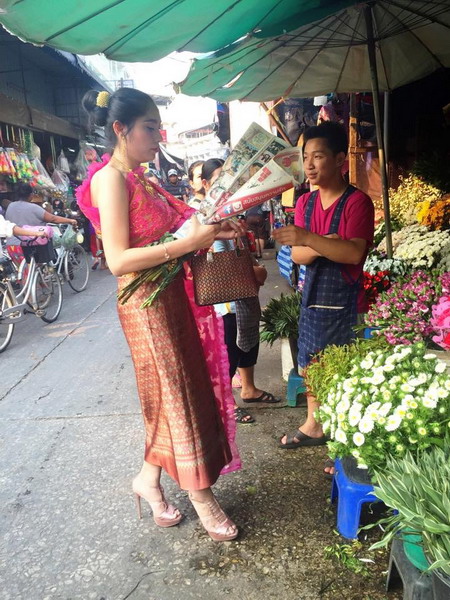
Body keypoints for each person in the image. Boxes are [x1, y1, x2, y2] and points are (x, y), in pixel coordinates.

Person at [77, 88, 245, 542]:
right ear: (120, 129)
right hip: (144, 304)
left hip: (169, 296)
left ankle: (148, 482)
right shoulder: (110, 179)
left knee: (175, 392)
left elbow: (177, 228)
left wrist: (210, 228)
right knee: (178, 395)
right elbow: (116, 260)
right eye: (149, 127)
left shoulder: (144, 178)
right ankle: (200, 493)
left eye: (158, 126)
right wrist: (187, 244)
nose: (158, 135)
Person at [273, 122, 374, 469]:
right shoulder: (305, 202)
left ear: (341, 158)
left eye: (318, 156)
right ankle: (315, 425)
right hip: (313, 298)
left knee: (344, 373)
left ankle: (346, 442)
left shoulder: (357, 203)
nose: (310, 165)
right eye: (306, 157)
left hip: (345, 303)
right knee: (313, 366)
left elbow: (352, 254)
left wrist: (310, 239)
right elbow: (298, 256)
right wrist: (324, 242)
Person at [202, 158, 279, 425]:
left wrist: (255, 267)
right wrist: (251, 272)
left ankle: (249, 389)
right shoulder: (205, 219)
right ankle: (226, 402)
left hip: (244, 294)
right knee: (229, 352)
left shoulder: (233, 215)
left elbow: (242, 253)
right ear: (205, 185)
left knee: (248, 342)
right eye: (219, 180)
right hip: (223, 300)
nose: (227, 187)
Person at [6, 183, 77, 264]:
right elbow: (53, 218)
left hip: (11, 246)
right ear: (31, 195)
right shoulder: (34, 208)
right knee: (36, 269)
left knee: (23, 272)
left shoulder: (10, 206)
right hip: (29, 246)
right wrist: (70, 221)